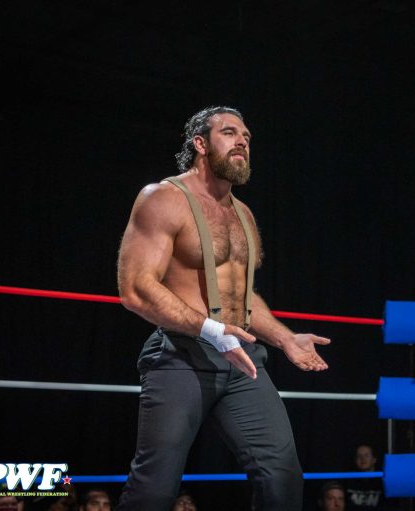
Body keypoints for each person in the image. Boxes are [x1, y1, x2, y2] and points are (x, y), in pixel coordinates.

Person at [116, 105, 331, 511]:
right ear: (200, 144)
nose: (242, 142)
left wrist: (285, 338)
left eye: (246, 137)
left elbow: (242, 299)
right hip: (181, 356)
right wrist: (212, 331)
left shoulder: (242, 214)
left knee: (282, 477)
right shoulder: (163, 198)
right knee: (154, 490)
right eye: (230, 133)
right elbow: (136, 288)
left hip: (242, 361)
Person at [346, 445, 383, 510]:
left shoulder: (383, 481)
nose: (362, 459)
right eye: (359, 456)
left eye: (366, 455)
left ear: (374, 459)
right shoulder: (347, 480)